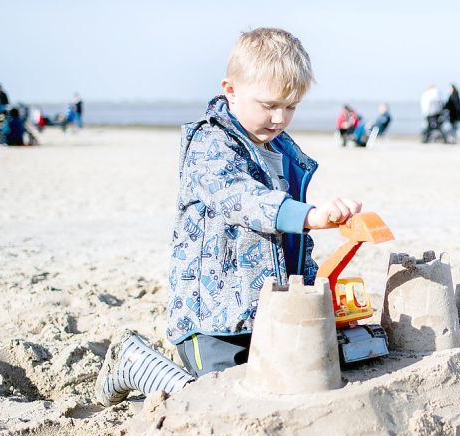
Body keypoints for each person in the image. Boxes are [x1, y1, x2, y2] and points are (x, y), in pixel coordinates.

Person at [94, 27, 364, 406]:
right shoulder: (209, 145)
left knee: (282, 381)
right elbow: (244, 200)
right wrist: (310, 215)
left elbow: (287, 243)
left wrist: (309, 279)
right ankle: (135, 361)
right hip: (213, 318)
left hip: (268, 310)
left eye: (290, 106)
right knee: (215, 397)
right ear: (231, 90)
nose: (279, 117)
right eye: (268, 105)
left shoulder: (279, 148)